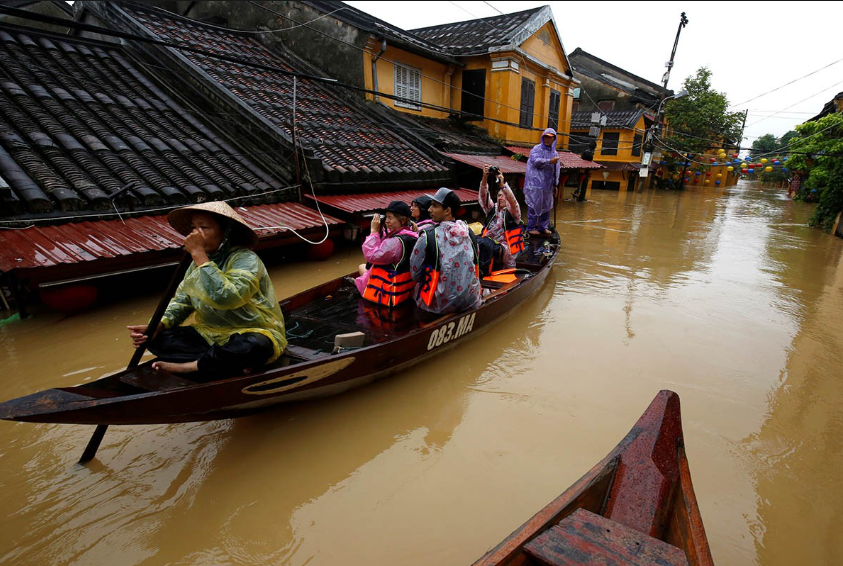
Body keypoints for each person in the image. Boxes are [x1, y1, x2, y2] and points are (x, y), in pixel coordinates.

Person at [127, 201, 286, 380]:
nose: (196, 234)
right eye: (194, 227)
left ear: (226, 233)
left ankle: (191, 366)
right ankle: (225, 361)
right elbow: (182, 301)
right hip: (209, 334)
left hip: (249, 331)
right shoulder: (196, 264)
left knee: (254, 346)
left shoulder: (245, 259)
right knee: (156, 338)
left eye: (204, 227)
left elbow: (226, 298)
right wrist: (158, 325)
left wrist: (199, 254)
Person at [410, 188, 481, 314]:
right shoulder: (469, 232)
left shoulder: (427, 236)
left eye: (434, 206)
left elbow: (415, 273)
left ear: (447, 210)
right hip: (470, 299)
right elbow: (476, 259)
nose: (429, 210)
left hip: (438, 305)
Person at [356, 201, 418, 307]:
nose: (387, 221)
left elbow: (371, 256)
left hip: (387, 290)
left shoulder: (395, 242)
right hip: (404, 287)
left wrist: (373, 231)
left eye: (390, 218)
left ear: (402, 220)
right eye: (386, 217)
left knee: (361, 267)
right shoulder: (412, 234)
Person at [480, 164, 524, 269]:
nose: (501, 198)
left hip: (505, 249)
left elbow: (513, 201)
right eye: (499, 195)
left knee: (488, 246)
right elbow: (483, 195)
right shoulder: (491, 209)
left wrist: (502, 185)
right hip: (488, 243)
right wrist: (485, 177)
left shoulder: (513, 213)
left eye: (504, 196)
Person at [524, 128, 560, 236]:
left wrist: (555, 184)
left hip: (547, 186)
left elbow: (556, 170)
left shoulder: (554, 153)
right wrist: (549, 161)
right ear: (543, 137)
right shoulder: (536, 149)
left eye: (550, 138)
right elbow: (535, 161)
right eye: (546, 137)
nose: (548, 140)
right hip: (535, 184)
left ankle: (543, 227)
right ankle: (530, 227)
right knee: (534, 205)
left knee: (547, 206)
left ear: (554, 139)